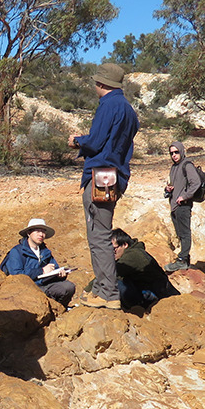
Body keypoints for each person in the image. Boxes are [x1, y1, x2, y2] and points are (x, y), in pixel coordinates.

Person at [67, 63, 139, 310]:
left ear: (101, 83)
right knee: (100, 234)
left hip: (100, 176)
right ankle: (101, 288)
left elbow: (96, 142)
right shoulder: (128, 110)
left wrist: (77, 141)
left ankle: (107, 293)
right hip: (115, 177)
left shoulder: (108, 105)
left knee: (99, 236)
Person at [0, 218, 76, 307]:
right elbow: (16, 275)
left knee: (68, 287)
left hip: (45, 285)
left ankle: (59, 309)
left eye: (43, 231)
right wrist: (41, 271)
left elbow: (54, 268)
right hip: (26, 289)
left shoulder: (45, 251)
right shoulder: (17, 251)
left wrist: (60, 275)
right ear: (29, 233)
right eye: (37, 231)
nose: (41, 234)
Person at [111, 228, 179, 311]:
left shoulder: (133, 255)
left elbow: (110, 274)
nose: (111, 253)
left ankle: (138, 308)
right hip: (151, 292)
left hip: (157, 296)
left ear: (125, 245)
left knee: (117, 283)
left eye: (114, 249)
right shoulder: (133, 252)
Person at [163, 140, 203, 272]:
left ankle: (182, 259)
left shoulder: (187, 165)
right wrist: (168, 189)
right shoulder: (174, 167)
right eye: (171, 153)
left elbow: (195, 182)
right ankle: (185, 260)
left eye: (176, 152)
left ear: (181, 151)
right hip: (174, 205)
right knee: (180, 233)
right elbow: (176, 184)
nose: (174, 155)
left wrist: (184, 196)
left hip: (183, 205)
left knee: (185, 233)